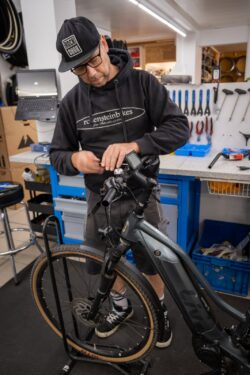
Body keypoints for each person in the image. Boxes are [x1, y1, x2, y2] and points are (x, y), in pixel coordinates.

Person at [50, 16, 189, 349]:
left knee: (150, 260)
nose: (91, 73)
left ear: (103, 43)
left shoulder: (142, 84)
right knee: (104, 261)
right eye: (79, 69)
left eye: (93, 61)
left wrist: (136, 145)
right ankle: (121, 307)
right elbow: (57, 153)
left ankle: (159, 309)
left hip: (141, 195)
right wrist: (74, 160)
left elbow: (179, 128)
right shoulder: (72, 103)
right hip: (100, 199)